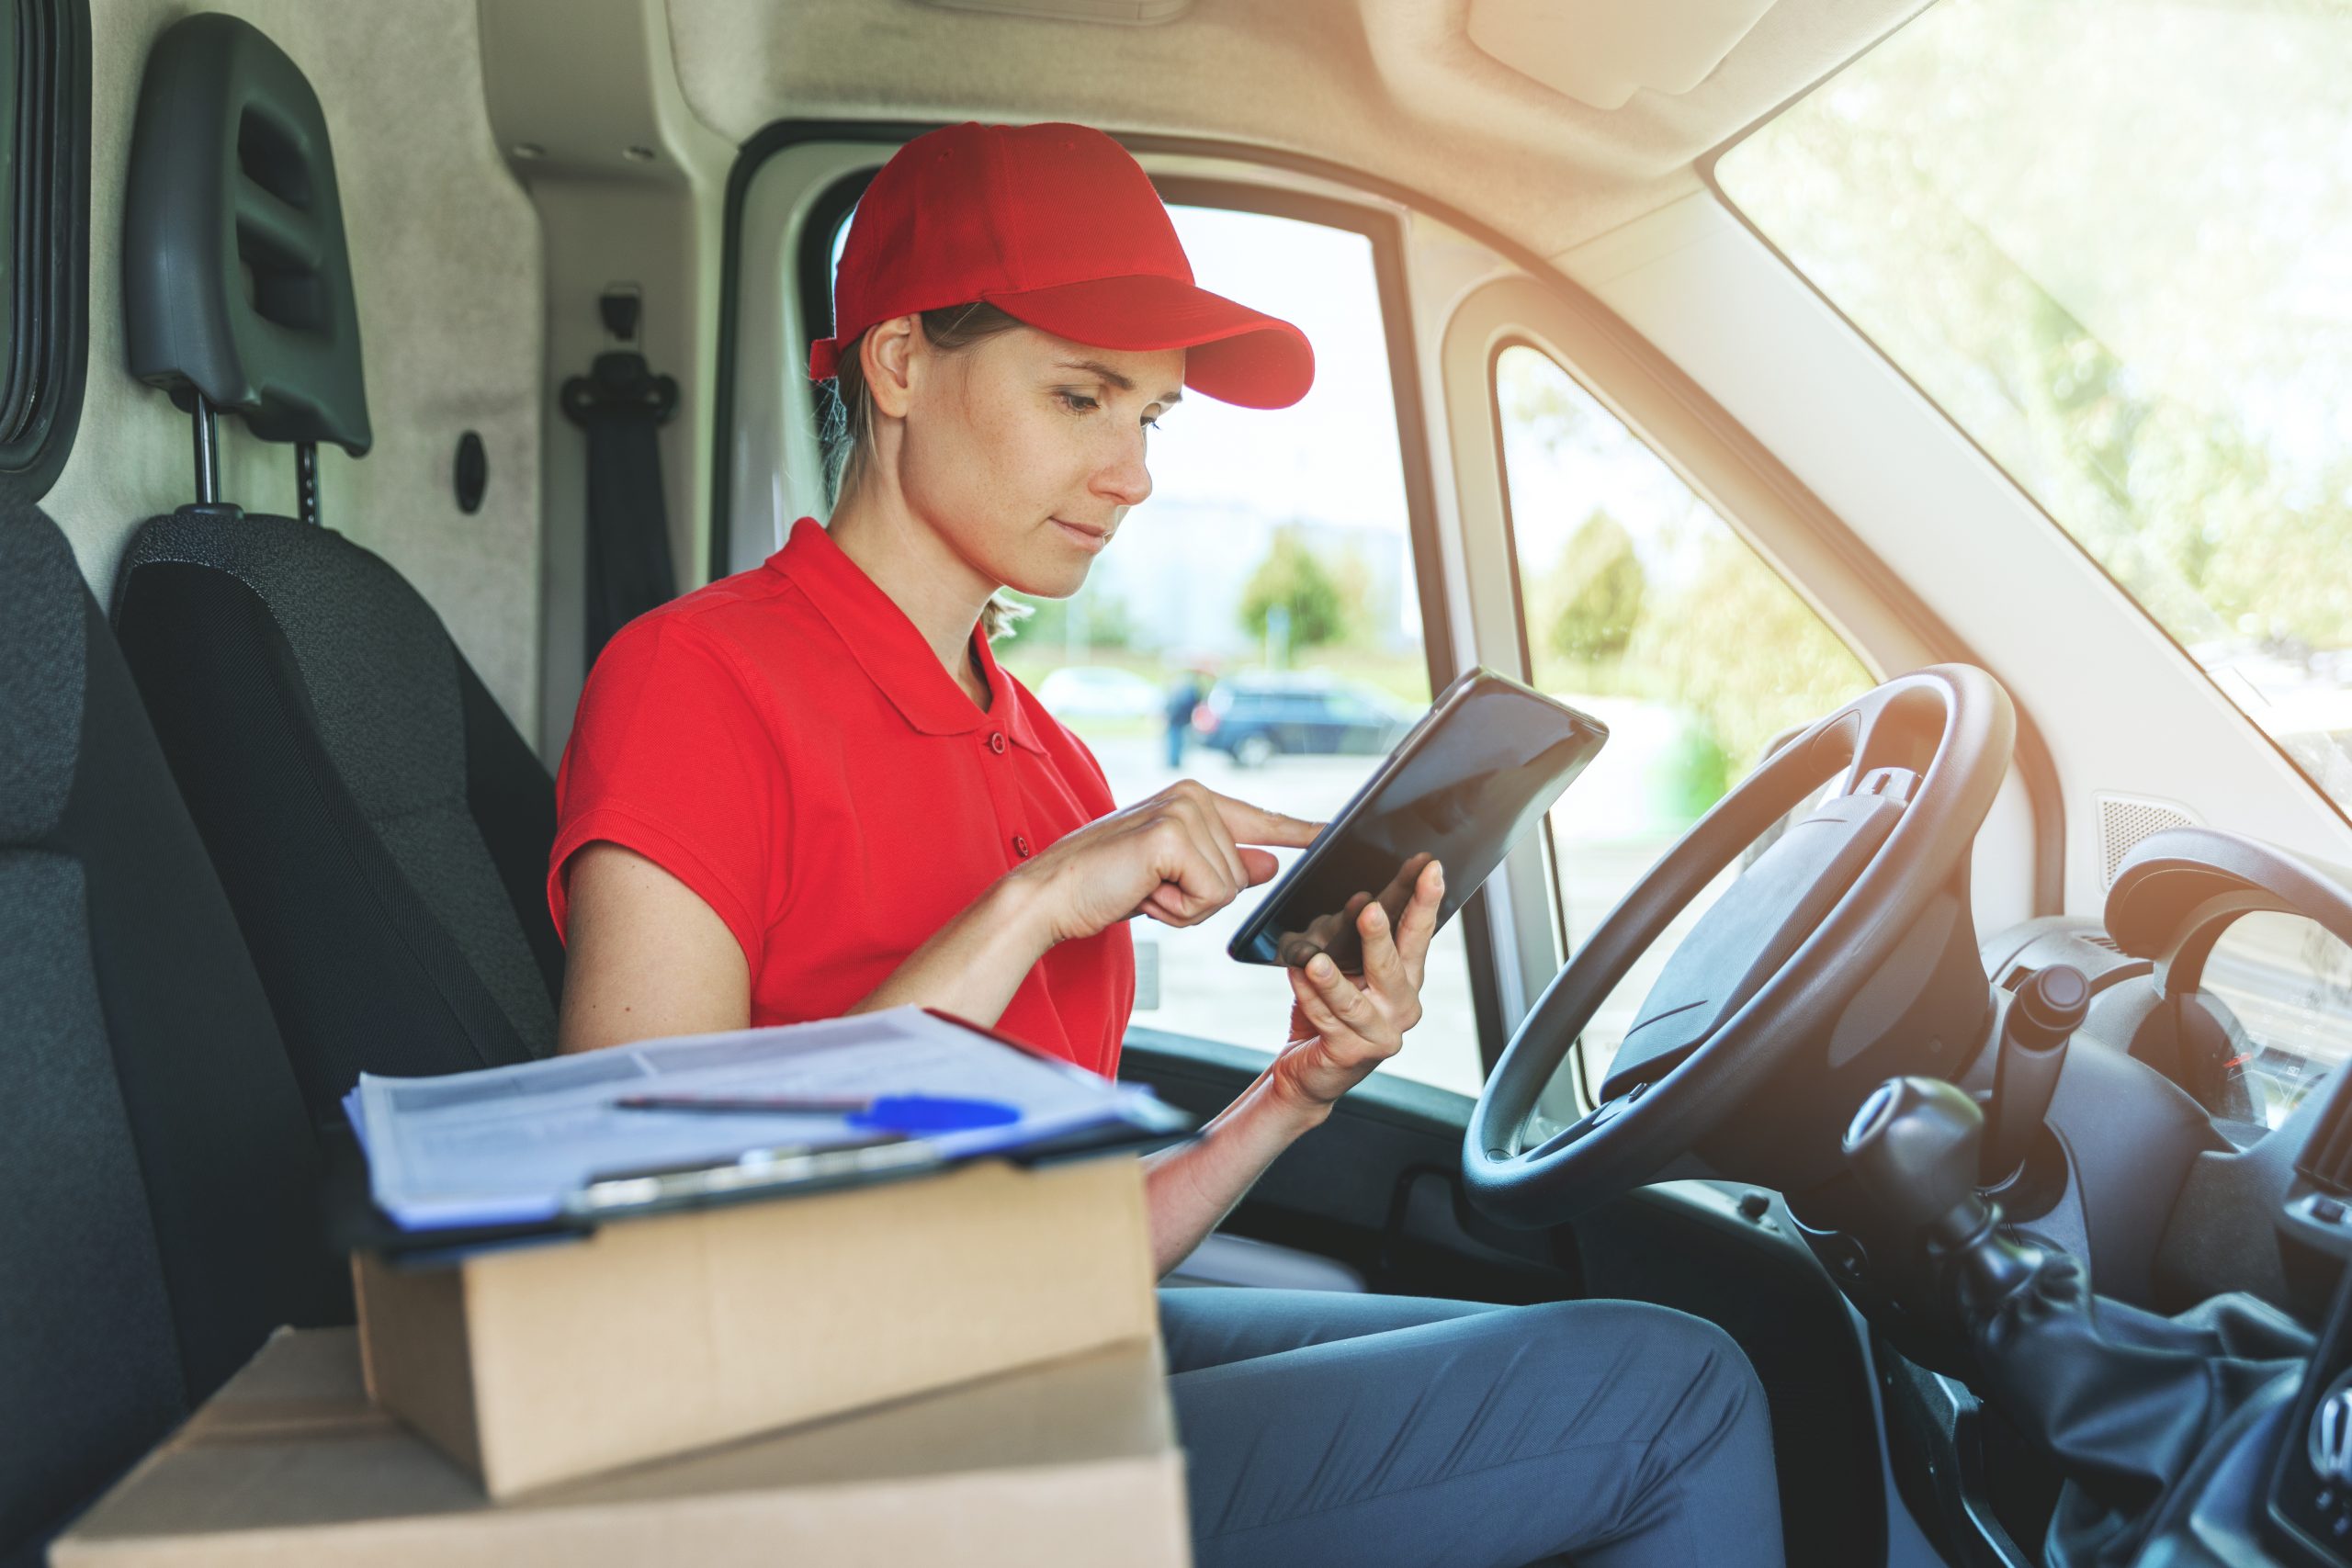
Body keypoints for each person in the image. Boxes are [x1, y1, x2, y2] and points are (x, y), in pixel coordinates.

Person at [547, 121, 1782, 1568]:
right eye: (1081, 396)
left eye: (1151, 418)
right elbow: (630, 1220)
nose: (1130, 472)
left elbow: (1066, 1245)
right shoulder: (697, 679)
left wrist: (1295, 1092)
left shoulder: (1049, 755)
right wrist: (1036, 903)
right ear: (897, 366)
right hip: (831, 1431)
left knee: (1568, 1342)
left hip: (1025, 1345)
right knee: (1672, 1395)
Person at [1163, 667, 1205, 768]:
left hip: (1175, 718)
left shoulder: (1180, 687)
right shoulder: (1191, 689)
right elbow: (1191, 704)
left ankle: (1174, 761)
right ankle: (1174, 761)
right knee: (1177, 740)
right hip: (1179, 718)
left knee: (1174, 739)